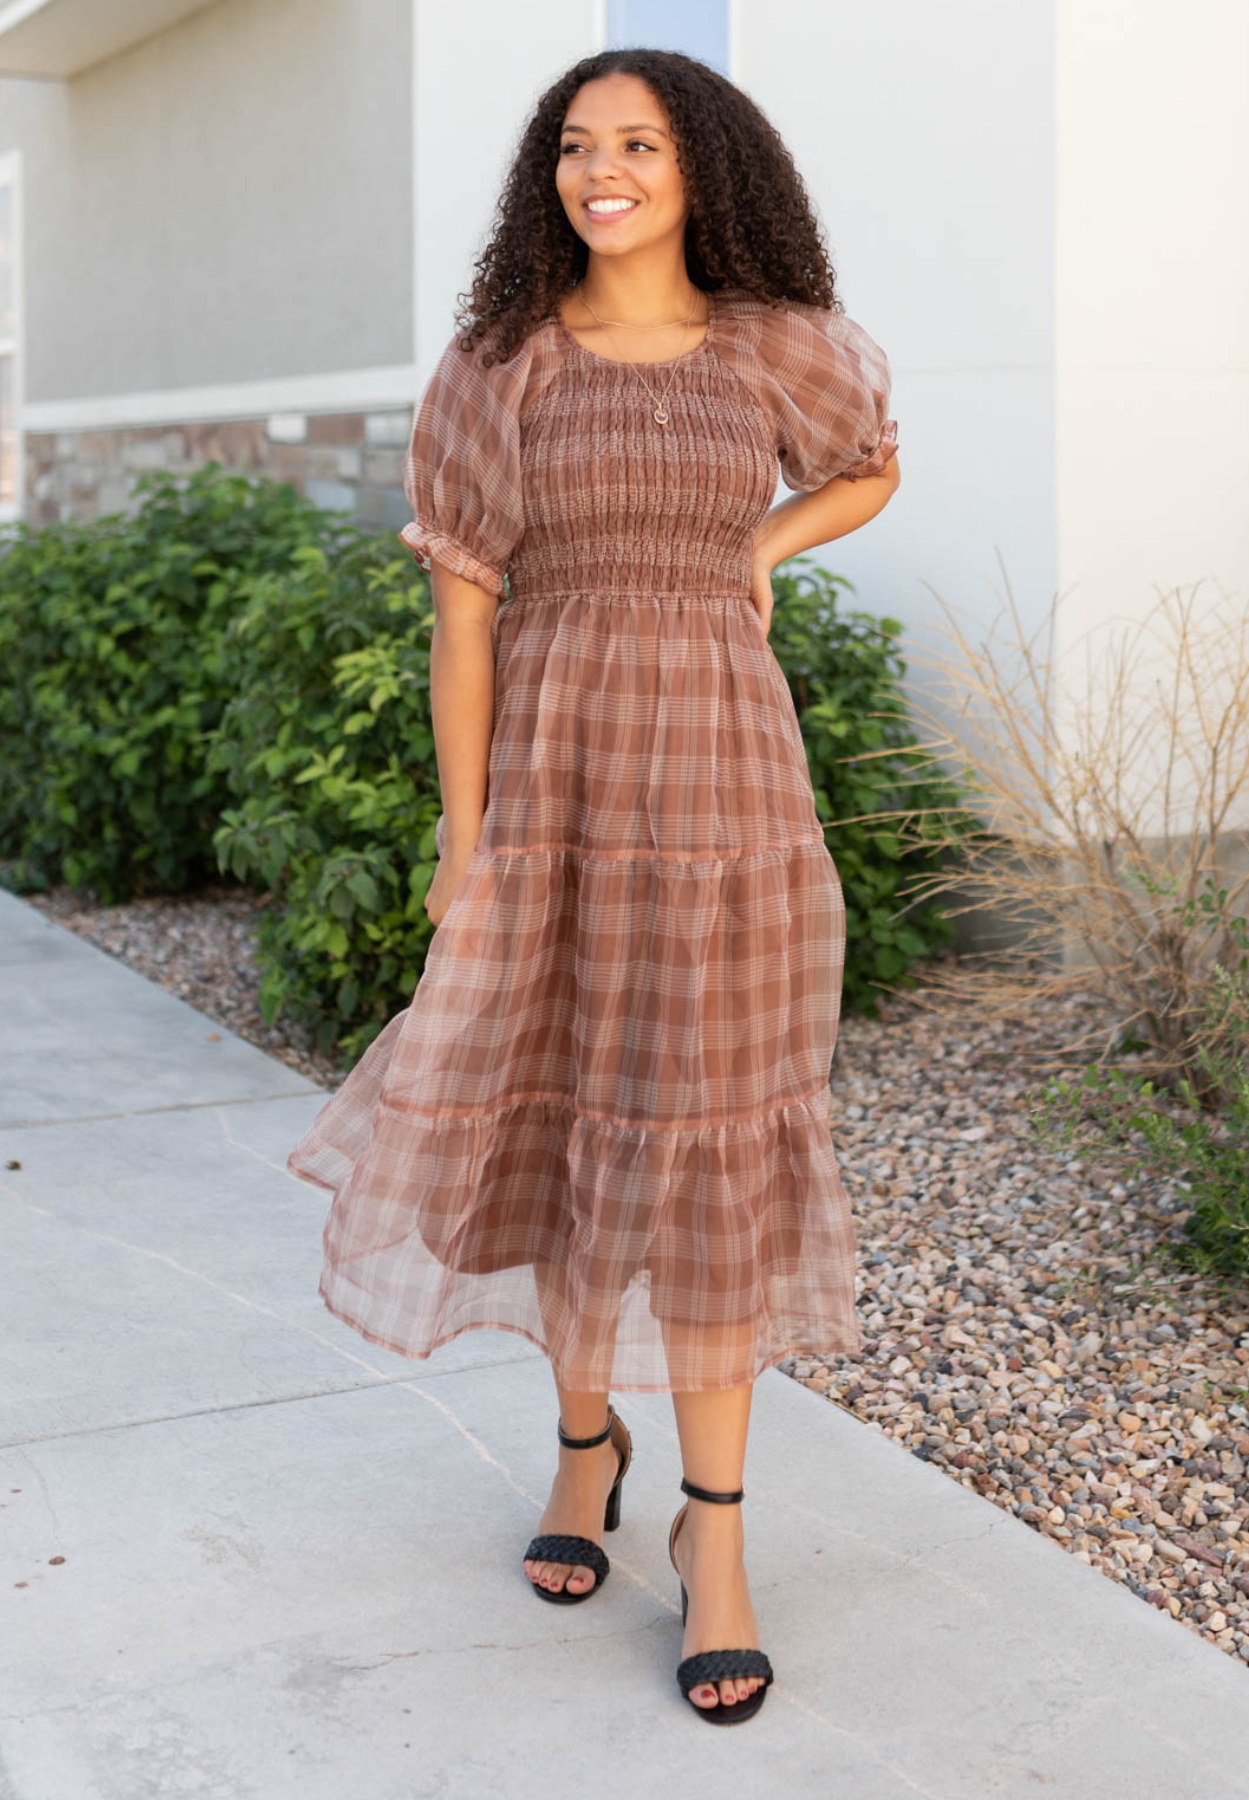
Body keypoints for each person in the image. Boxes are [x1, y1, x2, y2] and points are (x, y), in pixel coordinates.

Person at [286, 45, 899, 1725]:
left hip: (723, 792)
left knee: (702, 1136)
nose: (599, 168)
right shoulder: (502, 363)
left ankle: (715, 1536)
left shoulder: (780, 345)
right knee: (564, 1123)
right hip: (553, 796)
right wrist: (457, 836)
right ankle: (580, 1448)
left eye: (635, 142)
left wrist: (754, 547)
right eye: (574, 145)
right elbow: (463, 613)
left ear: (705, 168)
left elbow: (864, 463)